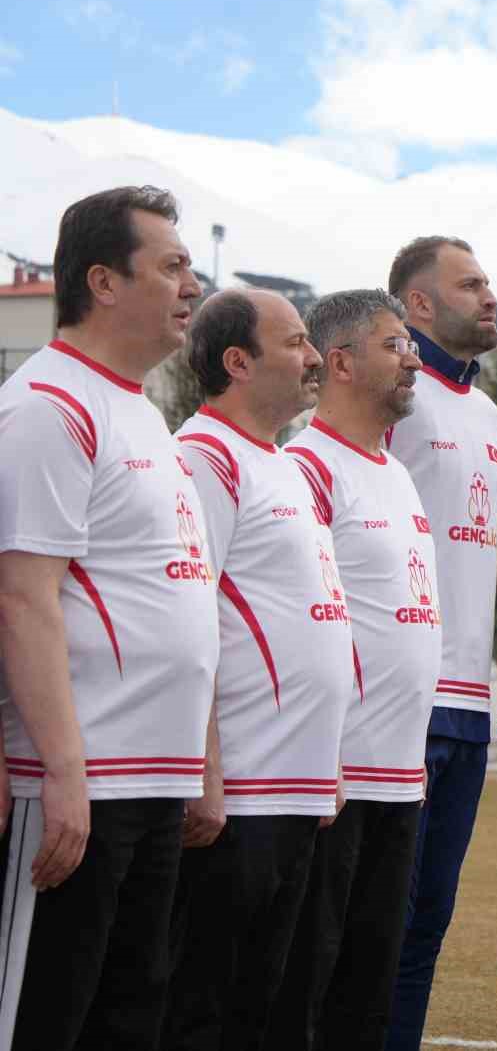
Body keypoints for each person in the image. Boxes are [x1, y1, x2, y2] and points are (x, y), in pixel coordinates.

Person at [0, 186, 216, 1049]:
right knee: (50, 1012)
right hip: (82, 784)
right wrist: (61, 773)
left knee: (129, 1014)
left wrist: (196, 761)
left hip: (152, 780)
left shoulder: (142, 410)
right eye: (171, 266)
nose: (192, 285)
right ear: (103, 282)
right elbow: (22, 598)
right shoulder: (49, 407)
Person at [163, 288, 352, 1050]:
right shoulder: (203, 457)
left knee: (263, 1004)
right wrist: (203, 769)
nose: (313, 360)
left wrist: (327, 758)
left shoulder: (278, 464)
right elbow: (190, 617)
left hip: (295, 787)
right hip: (238, 789)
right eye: (297, 343)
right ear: (237, 362)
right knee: (203, 1005)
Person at [268, 290, 441, 1050]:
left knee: (368, 987)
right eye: (394, 344)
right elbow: (296, 623)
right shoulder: (304, 467)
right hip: (331, 782)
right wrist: (327, 752)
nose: (413, 359)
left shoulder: (396, 475)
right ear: (339, 362)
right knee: (306, 986)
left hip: (398, 777)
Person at [382, 237, 497, 1051]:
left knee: (428, 920)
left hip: (468, 702)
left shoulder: (489, 411)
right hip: (400, 700)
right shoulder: (389, 397)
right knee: (374, 918)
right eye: (471, 284)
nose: (490, 295)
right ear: (418, 305)